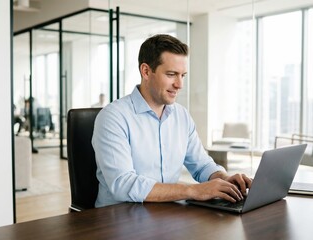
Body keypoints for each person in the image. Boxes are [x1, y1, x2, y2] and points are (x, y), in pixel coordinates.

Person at [92, 34, 252, 208]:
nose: (179, 84)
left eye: (182, 75)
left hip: (165, 213)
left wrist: (224, 179)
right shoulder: (113, 117)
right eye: (171, 74)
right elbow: (123, 184)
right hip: (117, 218)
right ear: (146, 71)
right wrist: (192, 190)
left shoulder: (181, 116)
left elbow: (202, 165)